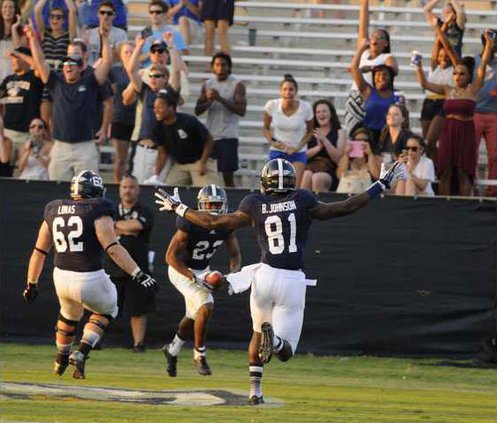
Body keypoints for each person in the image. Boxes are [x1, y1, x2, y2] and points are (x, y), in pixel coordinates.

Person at [154, 157, 406, 404]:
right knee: (285, 352)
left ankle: (255, 392)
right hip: (292, 280)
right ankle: (272, 340)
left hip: (264, 276)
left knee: (255, 333)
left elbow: (214, 221)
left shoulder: (254, 202)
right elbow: (344, 207)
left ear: (265, 183)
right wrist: (380, 185)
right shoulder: (303, 199)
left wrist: (179, 207)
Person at [23, 170, 158, 379]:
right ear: (94, 191)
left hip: (61, 276)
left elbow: (39, 252)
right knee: (108, 309)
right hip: (89, 276)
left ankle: (61, 357)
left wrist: (31, 284)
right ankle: (82, 351)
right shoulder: (98, 209)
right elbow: (113, 248)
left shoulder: (53, 209)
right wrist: (139, 274)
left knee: (69, 315)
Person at [162, 184, 241, 377]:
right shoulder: (190, 223)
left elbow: (235, 254)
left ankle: (172, 349)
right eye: (209, 205)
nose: (213, 209)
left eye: (217, 205)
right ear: (201, 205)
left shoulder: (227, 223)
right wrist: (193, 278)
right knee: (206, 304)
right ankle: (199, 355)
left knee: (194, 314)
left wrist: (233, 275)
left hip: (202, 270)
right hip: (181, 270)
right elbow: (170, 257)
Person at [25, 21, 113, 181]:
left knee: (87, 192)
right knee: (55, 190)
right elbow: (40, 62)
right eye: (66, 62)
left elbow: (107, 62)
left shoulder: (90, 81)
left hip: (85, 146)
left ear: (81, 68)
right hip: (60, 146)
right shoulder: (56, 81)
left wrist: (105, 38)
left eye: (74, 63)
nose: (69, 66)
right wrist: (32, 38)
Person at [414, 30, 495, 196]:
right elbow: (424, 83)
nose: (458, 76)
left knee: (464, 171)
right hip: (449, 131)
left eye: (462, 73)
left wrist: (488, 44)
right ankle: (446, 205)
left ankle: (463, 205)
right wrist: (418, 66)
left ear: (468, 76)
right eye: (455, 73)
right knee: (446, 171)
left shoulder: (473, 89)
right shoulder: (447, 89)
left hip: (466, 131)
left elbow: (484, 62)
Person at [104, 175, 156, 353]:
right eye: (124, 187)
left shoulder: (145, 211)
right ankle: (93, 341)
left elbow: (137, 226)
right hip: (112, 267)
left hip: (138, 268)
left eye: (132, 187)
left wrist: (115, 226)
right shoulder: (110, 210)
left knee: (138, 309)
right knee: (104, 306)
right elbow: (106, 229)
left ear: (138, 189)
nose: (128, 190)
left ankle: (138, 344)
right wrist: (125, 228)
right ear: (119, 189)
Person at [345, 0, 398, 136]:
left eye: (380, 37)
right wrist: (364, 3)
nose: (374, 38)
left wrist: (369, 68)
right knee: (353, 134)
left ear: (386, 43)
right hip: (355, 95)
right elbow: (363, 25)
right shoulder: (364, 52)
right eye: (373, 36)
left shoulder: (387, 57)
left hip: (372, 98)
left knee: (369, 135)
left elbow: (393, 71)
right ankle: (356, 157)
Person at [195, 52, 247, 187]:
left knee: (227, 176)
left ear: (229, 67)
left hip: (228, 136)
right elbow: (198, 110)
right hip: (211, 137)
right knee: (208, 174)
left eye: (223, 65)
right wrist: (209, 101)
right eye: (217, 65)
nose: (220, 68)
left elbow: (241, 110)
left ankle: (234, 204)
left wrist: (220, 98)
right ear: (213, 67)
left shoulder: (237, 84)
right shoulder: (207, 84)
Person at [150, 88, 219, 187]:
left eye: (160, 107)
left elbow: (209, 139)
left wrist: (203, 163)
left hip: (200, 160)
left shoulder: (188, 121)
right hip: (181, 164)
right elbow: (162, 153)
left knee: (208, 193)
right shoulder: (157, 127)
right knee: (168, 191)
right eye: (154, 107)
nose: (156, 110)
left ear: (171, 107)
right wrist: (155, 175)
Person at [419, 21, 460, 165]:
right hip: (428, 103)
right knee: (426, 143)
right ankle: (434, 170)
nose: (444, 57)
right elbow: (437, 45)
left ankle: (441, 168)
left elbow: (448, 47)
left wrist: (438, 27)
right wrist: (442, 26)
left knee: (430, 140)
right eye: (441, 55)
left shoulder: (455, 68)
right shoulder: (435, 66)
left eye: (446, 55)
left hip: (443, 103)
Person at [263, 74, 313, 189]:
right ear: (280, 91)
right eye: (285, 89)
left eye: (291, 89)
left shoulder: (306, 107)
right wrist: (272, 142)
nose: (288, 92)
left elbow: (310, 132)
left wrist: (298, 147)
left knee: (293, 188)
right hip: (277, 151)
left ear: (296, 92)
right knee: (275, 187)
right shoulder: (272, 105)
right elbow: (265, 128)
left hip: (298, 152)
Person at [351, 38, 398, 150]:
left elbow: (403, 119)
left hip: (388, 135)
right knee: (358, 138)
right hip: (367, 133)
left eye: (385, 75)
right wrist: (362, 48)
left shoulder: (397, 95)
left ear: (390, 78)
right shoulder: (367, 90)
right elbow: (354, 68)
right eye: (377, 75)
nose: (381, 77)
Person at [0, 47, 44, 155]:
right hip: (7, 132)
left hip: (27, 134)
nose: (14, 61)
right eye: (13, 59)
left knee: (23, 170)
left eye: (17, 58)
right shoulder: (8, 79)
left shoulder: (35, 76)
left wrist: (21, 55)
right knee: (5, 169)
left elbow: (40, 67)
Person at [301, 99, 346, 193]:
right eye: (318, 112)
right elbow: (301, 155)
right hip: (310, 166)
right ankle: (302, 206)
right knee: (306, 175)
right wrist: (318, 148)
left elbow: (338, 158)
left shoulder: (340, 132)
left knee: (317, 178)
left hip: (329, 170)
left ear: (331, 114)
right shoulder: (308, 132)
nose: (321, 114)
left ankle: (320, 207)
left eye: (324, 111)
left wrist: (324, 140)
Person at [473, 30, 497, 197]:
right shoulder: (474, 61)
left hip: (494, 114)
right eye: (489, 41)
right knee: (471, 153)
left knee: (495, 155)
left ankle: (492, 189)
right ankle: (471, 185)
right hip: (475, 112)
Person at [109, 41, 136, 182]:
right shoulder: (115, 71)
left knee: (135, 160)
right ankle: (117, 187)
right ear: (120, 55)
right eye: (126, 52)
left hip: (138, 120)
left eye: (132, 51)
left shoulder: (141, 70)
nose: (129, 54)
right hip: (120, 118)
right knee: (120, 159)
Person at [139, 0, 188, 66]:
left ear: (165, 14)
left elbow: (182, 56)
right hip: (147, 72)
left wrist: (168, 47)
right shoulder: (144, 33)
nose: (154, 15)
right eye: (151, 12)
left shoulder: (174, 33)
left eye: (158, 12)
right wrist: (152, 51)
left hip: (167, 72)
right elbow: (137, 59)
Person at [336, 127, 379, 194]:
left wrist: (370, 154)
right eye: (358, 140)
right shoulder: (346, 159)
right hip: (347, 194)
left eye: (365, 140)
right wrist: (346, 155)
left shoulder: (374, 158)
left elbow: (376, 176)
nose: (361, 142)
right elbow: (340, 175)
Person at [85, 1, 127, 66]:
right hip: (92, 69)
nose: (105, 16)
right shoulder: (89, 34)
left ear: (114, 16)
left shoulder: (121, 34)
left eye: (109, 13)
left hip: (113, 69)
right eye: (102, 12)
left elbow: (118, 57)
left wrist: (105, 38)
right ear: (97, 14)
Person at [0, 0, 24, 82]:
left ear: (15, 11)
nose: (7, 10)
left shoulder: (21, 32)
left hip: (13, 75)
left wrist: (14, 28)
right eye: (5, 7)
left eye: (11, 7)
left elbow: (19, 52)